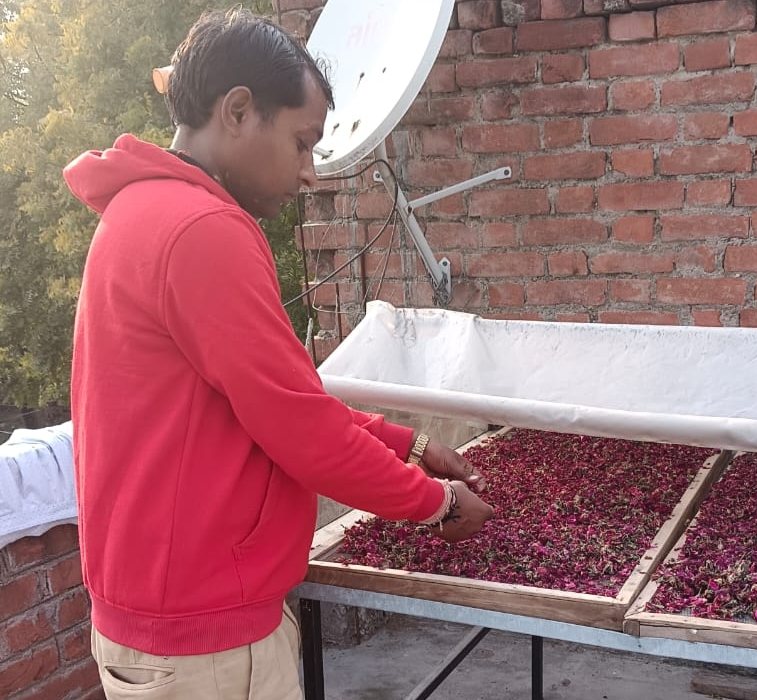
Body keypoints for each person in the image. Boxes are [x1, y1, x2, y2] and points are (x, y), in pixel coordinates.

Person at [63, 8, 494, 699]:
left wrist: (406, 445)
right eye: (301, 142)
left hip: (167, 616)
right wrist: (434, 503)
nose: (309, 174)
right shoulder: (203, 230)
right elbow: (301, 431)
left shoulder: (144, 211)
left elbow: (278, 398)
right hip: (204, 642)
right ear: (238, 111)